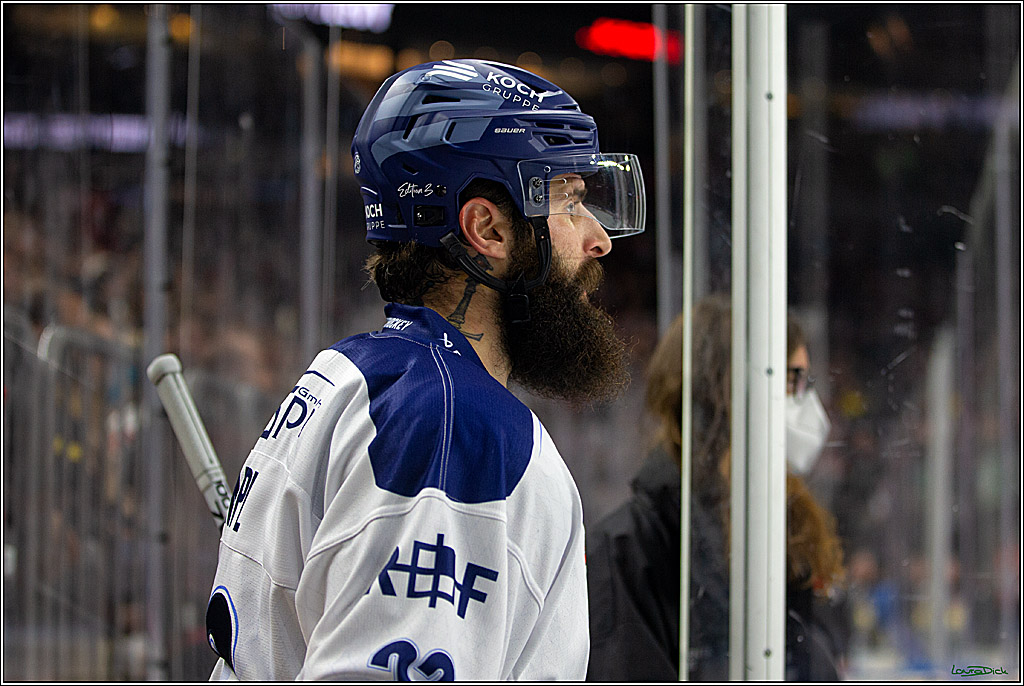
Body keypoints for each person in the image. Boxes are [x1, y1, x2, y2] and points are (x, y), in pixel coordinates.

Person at [203, 59, 645, 681]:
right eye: (569, 201)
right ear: (486, 227)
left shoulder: (351, 372)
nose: (597, 238)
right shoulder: (458, 429)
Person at [586, 294, 845, 681]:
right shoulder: (624, 552)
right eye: (792, 379)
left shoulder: (792, 534)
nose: (807, 405)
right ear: (728, 391)